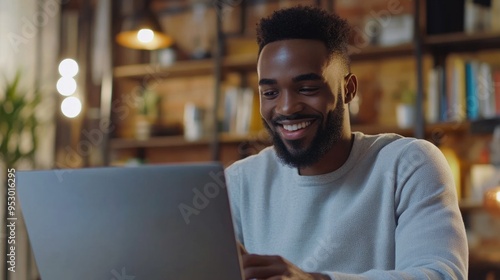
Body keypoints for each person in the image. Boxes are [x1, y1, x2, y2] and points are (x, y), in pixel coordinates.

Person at [224, 5, 468, 280]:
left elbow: (441, 275)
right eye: (270, 92)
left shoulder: (410, 164)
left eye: (307, 88)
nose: (286, 108)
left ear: (348, 89)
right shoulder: (239, 181)